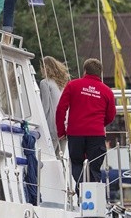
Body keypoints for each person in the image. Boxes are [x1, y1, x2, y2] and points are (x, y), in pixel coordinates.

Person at [55, 58, 116, 193]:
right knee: (94, 167)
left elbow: (61, 109)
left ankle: (81, 191)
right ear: (100, 73)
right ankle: (91, 199)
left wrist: (61, 131)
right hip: (96, 135)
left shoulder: (72, 85)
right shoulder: (107, 92)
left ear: (85, 71)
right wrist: (99, 124)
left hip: (75, 133)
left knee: (77, 163)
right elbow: (111, 115)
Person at [39, 56, 70, 157]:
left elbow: (46, 107)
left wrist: (39, 124)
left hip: (52, 124)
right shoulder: (63, 83)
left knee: (50, 156)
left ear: (45, 68)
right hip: (65, 125)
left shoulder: (45, 83)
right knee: (60, 158)